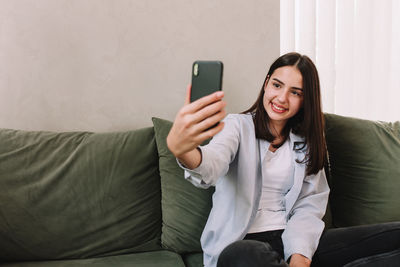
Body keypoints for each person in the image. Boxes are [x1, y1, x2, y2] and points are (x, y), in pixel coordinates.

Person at [166, 52, 400, 267]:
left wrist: (299, 258)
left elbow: (309, 206)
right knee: (241, 254)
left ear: (305, 99)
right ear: (267, 83)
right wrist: (183, 150)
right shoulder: (236, 126)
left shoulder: (306, 141)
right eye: (277, 85)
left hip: (294, 242)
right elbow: (211, 165)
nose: (282, 98)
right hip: (244, 247)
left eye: (295, 92)